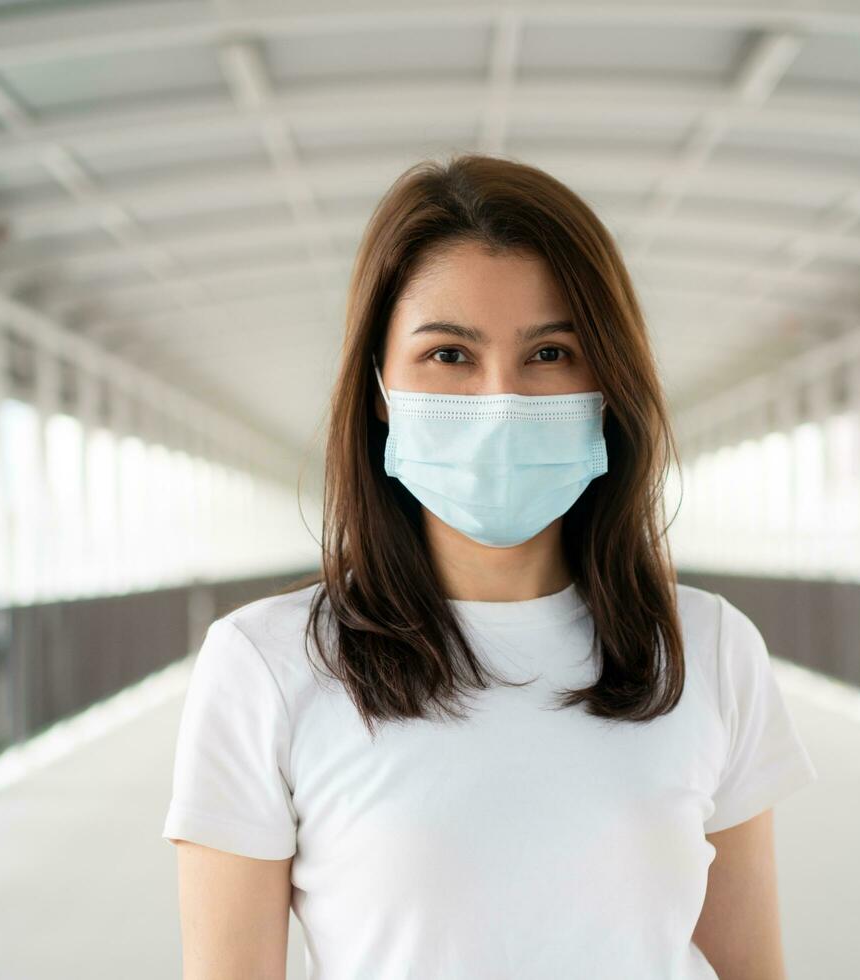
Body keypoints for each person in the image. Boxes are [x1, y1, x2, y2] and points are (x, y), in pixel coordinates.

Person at [162, 153, 819, 979]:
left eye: (549, 354)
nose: (500, 400)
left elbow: (750, 969)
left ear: (608, 381)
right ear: (377, 387)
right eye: (449, 355)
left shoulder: (709, 647)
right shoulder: (265, 665)